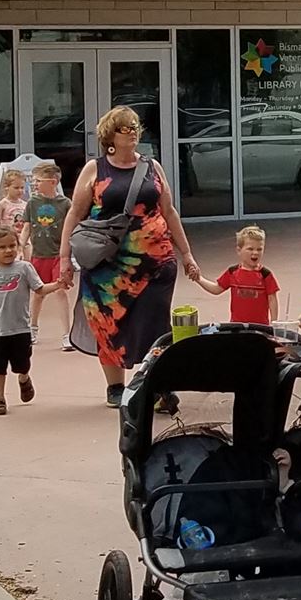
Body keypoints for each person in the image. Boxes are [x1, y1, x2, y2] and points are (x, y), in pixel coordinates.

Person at [57, 106, 200, 408]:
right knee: (107, 321)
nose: (133, 132)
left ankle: (158, 386)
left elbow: (169, 211)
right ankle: (115, 387)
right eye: (125, 128)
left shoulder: (152, 166)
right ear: (111, 135)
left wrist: (186, 253)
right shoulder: (95, 169)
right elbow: (75, 212)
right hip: (106, 261)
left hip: (156, 261)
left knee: (156, 324)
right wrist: (64, 258)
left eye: (135, 126)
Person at [0, 227, 48, 415]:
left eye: (12, 246)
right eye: (2, 247)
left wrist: (58, 284)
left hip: (20, 328)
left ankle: (24, 379)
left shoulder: (24, 268)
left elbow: (39, 289)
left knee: (22, 364)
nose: (8, 250)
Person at [195, 225, 281, 326]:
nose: (255, 252)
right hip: (236, 325)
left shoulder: (266, 274)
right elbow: (216, 289)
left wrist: (274, 323)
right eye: (250, 249)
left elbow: (272, 299)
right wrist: (199, 279)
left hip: (260, 327)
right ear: (239, 250)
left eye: (259, 249)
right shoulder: (232, 272)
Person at [21, 162, 70, 341]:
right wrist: (21, 245)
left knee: (60, 290)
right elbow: (27, 227)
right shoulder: (32, 202)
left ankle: (67, 333)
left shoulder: (65, 204)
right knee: (39, 293)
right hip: (38, 254)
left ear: (53, 182)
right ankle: (33, 327)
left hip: (58, 254)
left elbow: (70, 228)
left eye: (38, 181)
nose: (35, 184)